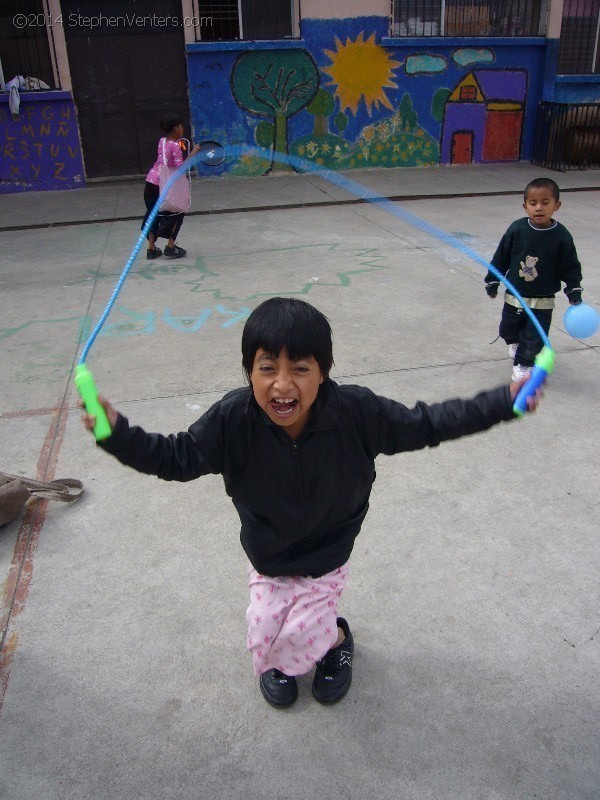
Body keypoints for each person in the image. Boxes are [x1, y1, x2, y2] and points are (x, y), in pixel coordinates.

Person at [81, 297, 542, 709]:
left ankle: (335, 640)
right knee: (264, 630)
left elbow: (429, 423)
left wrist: (502, 403)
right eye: (267, 368)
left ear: (323, 371)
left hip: (329, 551)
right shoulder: (232, 420)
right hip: (268, 553)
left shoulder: (358, 412)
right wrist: (115, 433)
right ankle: (291, 651)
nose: (283, 385)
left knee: (307, 630)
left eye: (300, 368)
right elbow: (174, 457)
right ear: (249, 372)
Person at [485, 177, 583, 382]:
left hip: (543, 298)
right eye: (533, 203)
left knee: (534, 336)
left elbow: (570, 265)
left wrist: (573, 288)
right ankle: (514, 342)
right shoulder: (517, 230)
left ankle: (523, 364)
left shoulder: (561, 236)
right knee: (507, 329)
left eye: (545, 203)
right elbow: (501, 256)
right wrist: (493, 280)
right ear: (525, 206)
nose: (539, 208)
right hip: (515, 295)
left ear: (557, 205)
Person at [142, 115, 201, 261]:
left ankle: (151, 249)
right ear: (175, 129)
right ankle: (170, 246)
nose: (182, 129)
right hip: (164, 184)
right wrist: (193, 153)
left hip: (151, 182)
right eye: (181, 126)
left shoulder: (162, 141)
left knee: (152, 214)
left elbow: (166, 161)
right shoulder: (175, 145)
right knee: (178, 211)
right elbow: (180, 167)